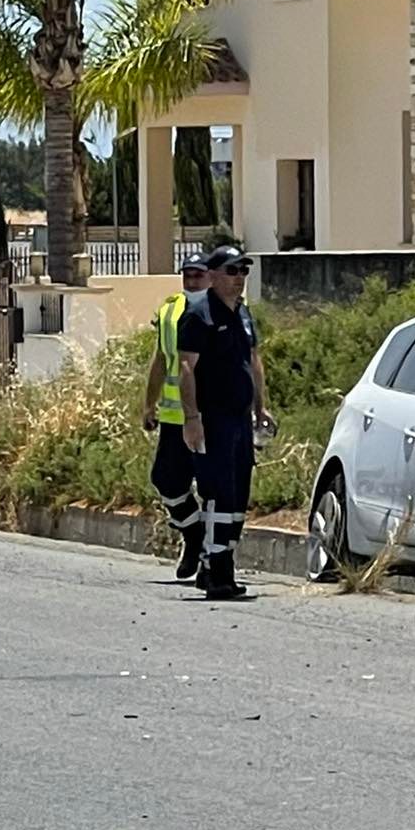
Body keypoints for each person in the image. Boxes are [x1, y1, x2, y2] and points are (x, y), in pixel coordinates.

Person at [176, 244, 274, 600]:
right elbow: (186, 367)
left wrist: (260, 406)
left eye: (243, 272)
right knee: (219, 495)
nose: (239, 279)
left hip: (240, 420)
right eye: (232, 272)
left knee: (238, 497)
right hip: (213, 418)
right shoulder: (199, 313)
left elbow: (253, 360)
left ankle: (212, 564)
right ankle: (219, 573)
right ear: (213, 275)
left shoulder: (242, 314)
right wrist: (192, 419)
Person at [142, 255, 212, 579]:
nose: (192, 281)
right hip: (174, 418)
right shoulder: (170, 309)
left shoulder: (220, 310)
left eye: (198, 275)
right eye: (187, 275)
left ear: (210, 277)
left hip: (210, 417)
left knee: (213, 488)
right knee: (166, 480)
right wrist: (148, 404)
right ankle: (193, 533)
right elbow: (161, 359)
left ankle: (213, 560)